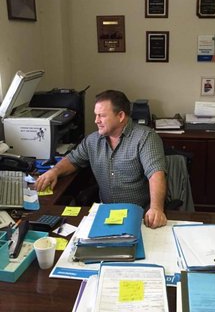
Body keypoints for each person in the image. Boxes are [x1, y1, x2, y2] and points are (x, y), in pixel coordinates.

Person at [35, 90, 167, 229]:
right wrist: (54, 172)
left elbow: (156, 174)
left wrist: (156, 209)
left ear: (120, 115)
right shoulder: (93, 140)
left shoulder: (145, 138)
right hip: (107, 214)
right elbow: (73, 159)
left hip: (139, 215)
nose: (96, 120)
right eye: (96, 115)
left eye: (101, 116)